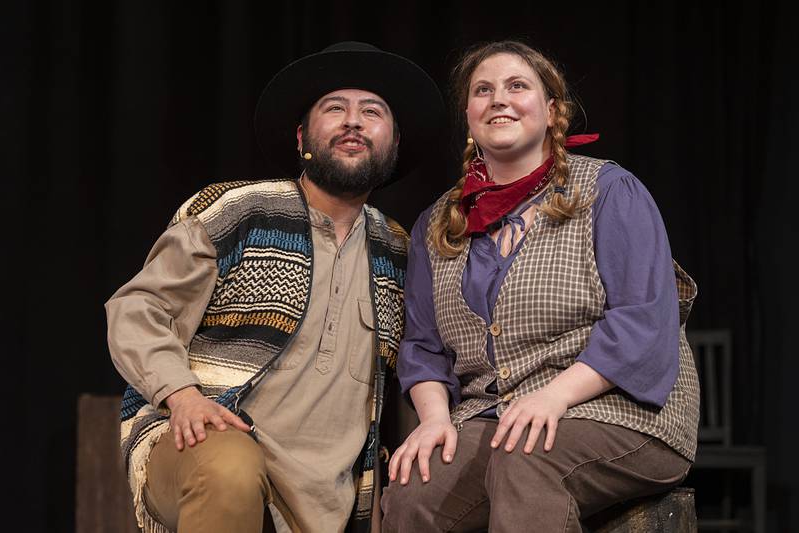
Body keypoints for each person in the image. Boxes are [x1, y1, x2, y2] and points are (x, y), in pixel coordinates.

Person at [105, 41, 443, 533]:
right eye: (335, 108)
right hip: (203, 440)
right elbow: (139, 307)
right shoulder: (240, 211)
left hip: (326, 496)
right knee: (231, 468)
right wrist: (181, 395)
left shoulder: (399, 252)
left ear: (393, 144)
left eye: (372, 112)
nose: (353, 121)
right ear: (302, 136)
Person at [380, 40, 700, 532]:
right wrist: (435, 419)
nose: (498, 100)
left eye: (517, 86)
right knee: (412, 490)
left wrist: (555, 396)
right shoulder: (437, 223)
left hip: (623, 413)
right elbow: (423, 346)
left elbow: (642, 320)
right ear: (469, 116)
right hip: (495, 416)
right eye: (483, 91)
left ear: (552, 112)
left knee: (526, 458)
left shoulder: (608, 191)